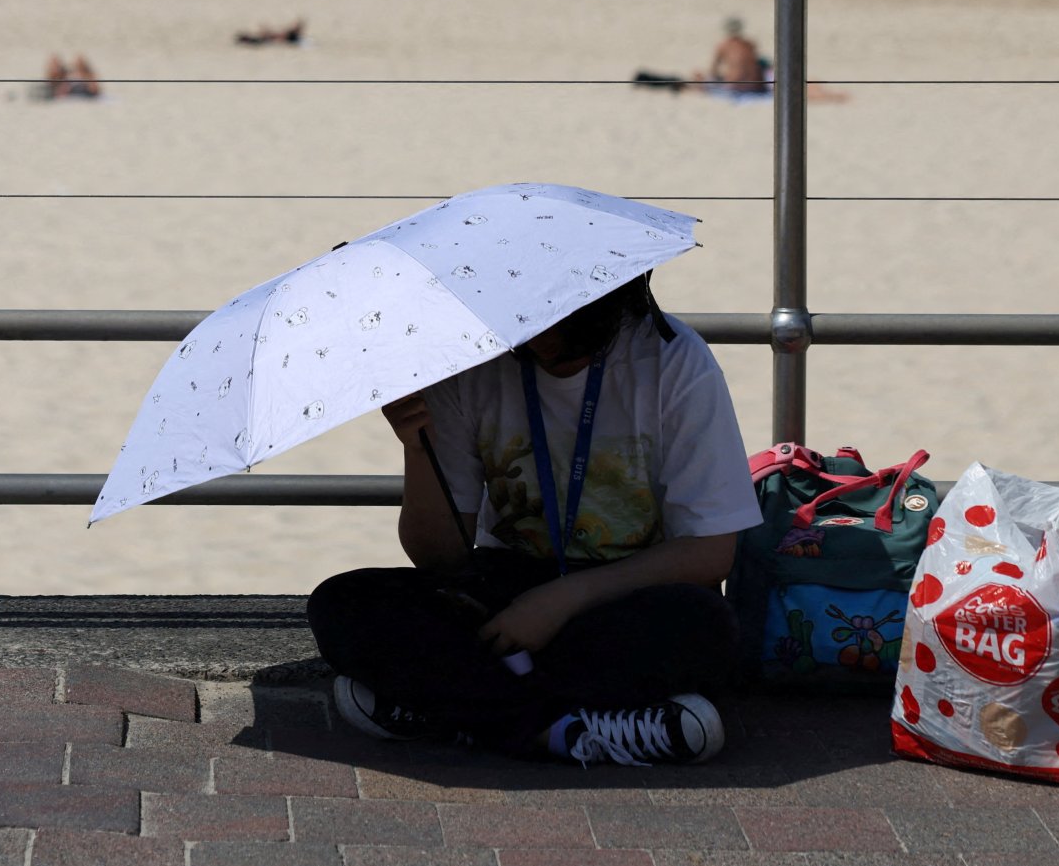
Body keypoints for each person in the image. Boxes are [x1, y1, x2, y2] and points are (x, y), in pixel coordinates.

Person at [307, 277, 760, 766]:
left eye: (566, 330)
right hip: (504, 590)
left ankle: (454, 713)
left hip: (628, 588)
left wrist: (562, 599)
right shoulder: (474, 362)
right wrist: (419, 450)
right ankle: (565, 730)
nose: (542, 343)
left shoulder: (675, 359)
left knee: (705, 625)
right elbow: (440, 557)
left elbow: (710, 552)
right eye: (531, 325)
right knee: (341, 603)